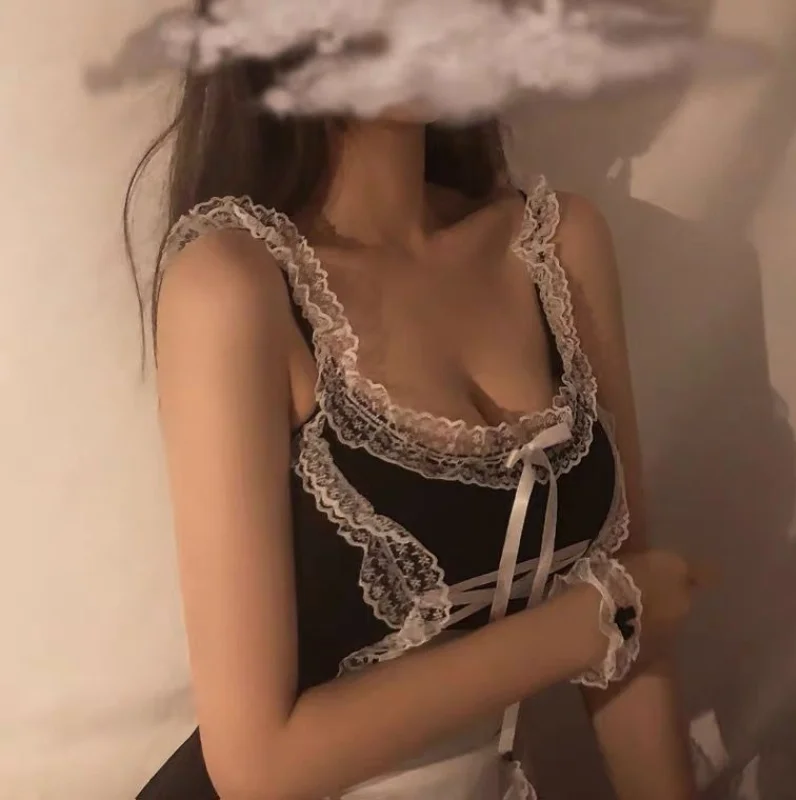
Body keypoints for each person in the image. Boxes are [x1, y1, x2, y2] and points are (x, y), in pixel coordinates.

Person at [129, 6, 704, 799]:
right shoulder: (233, 287)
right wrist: (585, 624)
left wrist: (617, 617)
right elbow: (257, 767)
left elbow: (632, 617)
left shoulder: (555, 245)